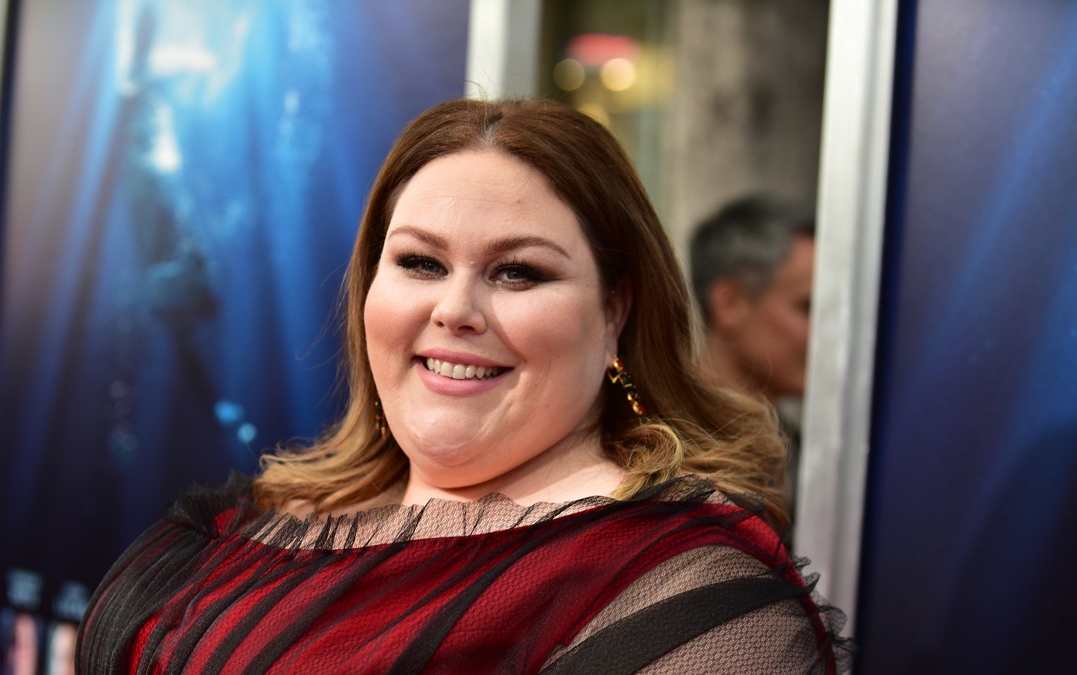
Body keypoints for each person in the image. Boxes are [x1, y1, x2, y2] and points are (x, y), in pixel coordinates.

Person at [76, 99, 850, 673]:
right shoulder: (264, 520)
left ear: (615, 309)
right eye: (419, 262)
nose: (455, 309)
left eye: (520, 272)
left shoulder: (679, 590)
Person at [689, 194, 816, 518]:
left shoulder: (800, 448)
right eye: (809, 308)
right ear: (729, 303)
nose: (828, 335)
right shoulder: (661, 450)